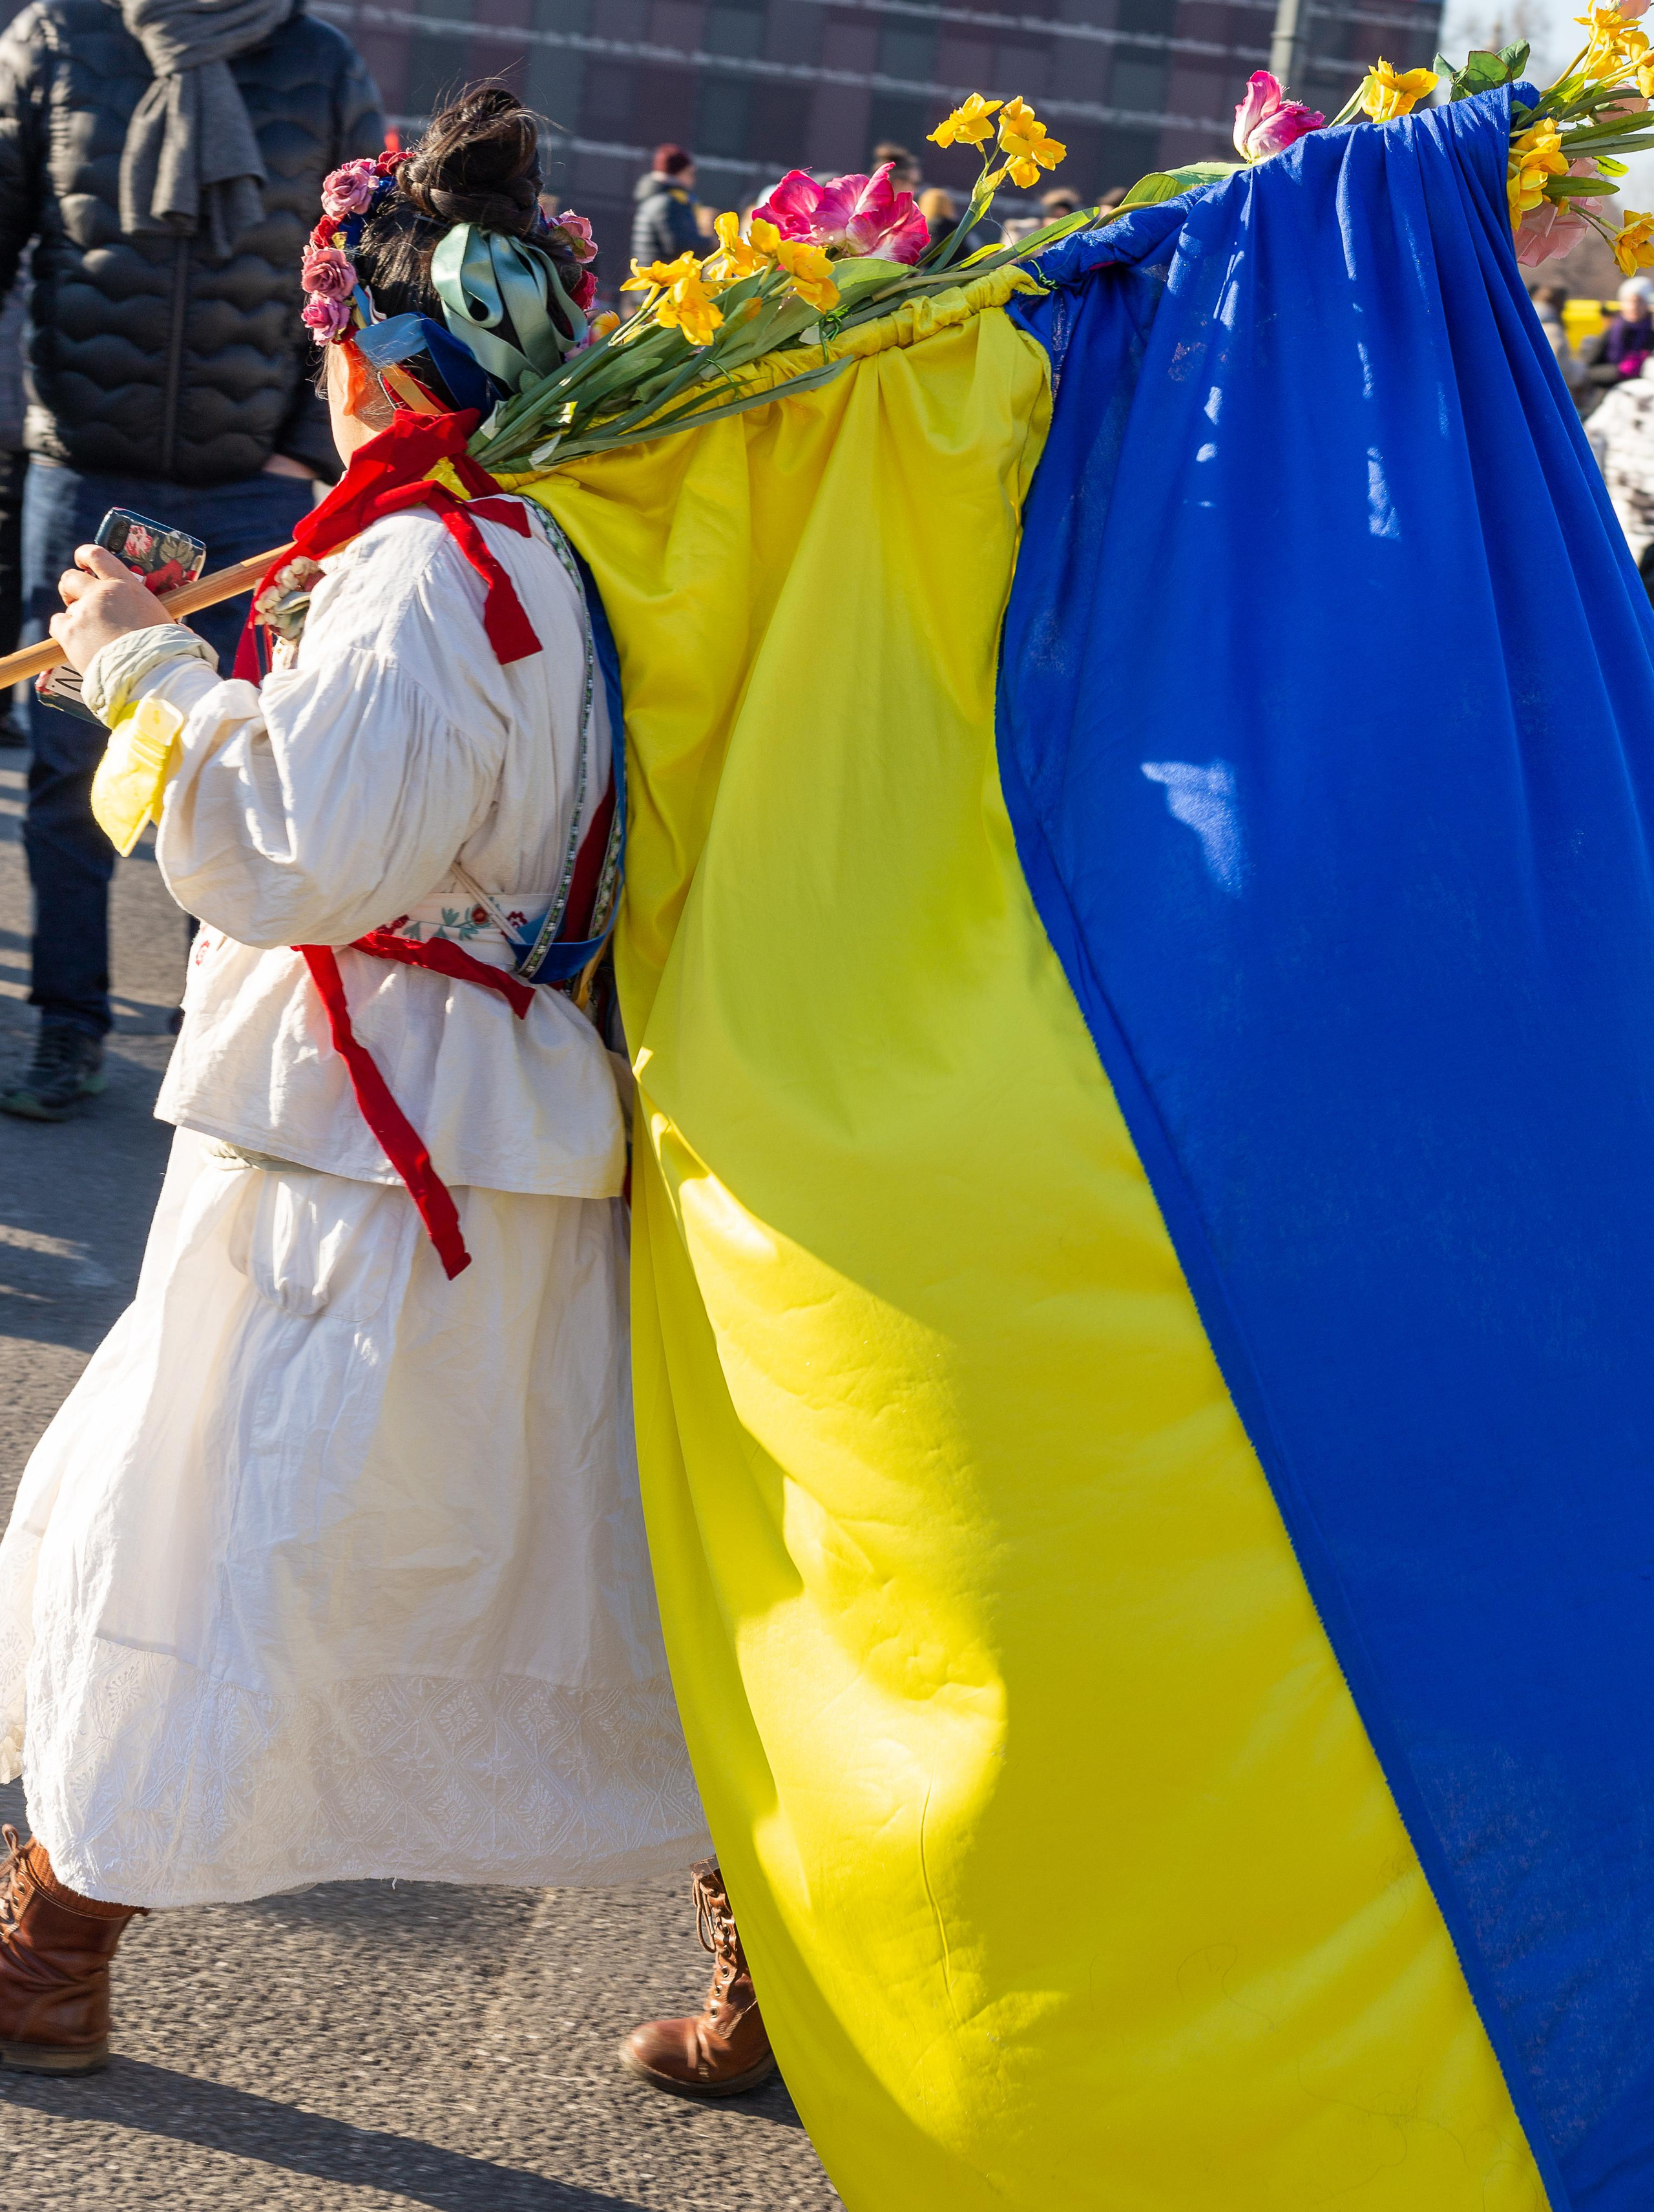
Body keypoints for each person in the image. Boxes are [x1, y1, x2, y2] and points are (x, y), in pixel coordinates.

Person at [0, 88, 706, 2072]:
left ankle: (52, 1945)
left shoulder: (419, 572)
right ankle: (770, 1938)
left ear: (371, 353)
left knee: (218, 1519)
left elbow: (299, 848)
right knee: (524, 1552)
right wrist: (188, 658)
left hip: (366, 1131)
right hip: (455, 1116)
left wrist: (146, 666)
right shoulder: (523, 556)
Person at [0, 0, 383, 1123]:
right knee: (69, 767)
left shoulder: (317, 61)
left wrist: (301, 450)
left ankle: (206, 1029)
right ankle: (69, 1025)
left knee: (227, 760)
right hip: (86, 474)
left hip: (249, 491)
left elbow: (362, 268)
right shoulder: (58, 42)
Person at [1578, 275, 1654, 421]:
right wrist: (1618, 371)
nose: (1634, 307)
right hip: (1604, 404)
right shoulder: (1611, 332)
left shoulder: (1651, 337)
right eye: (1630, 302)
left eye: (1639, 302)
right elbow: (1587, 370)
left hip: (1641, 410)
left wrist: (1643, 370)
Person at [631, 144, 700, 269]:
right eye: (691, 173)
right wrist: (713, 243)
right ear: (680, 172)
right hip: (663, 282)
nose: (693, 180)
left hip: (650, 279)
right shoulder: (669, 202)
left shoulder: (654, 197)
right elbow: (678, 245)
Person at [1530, 278, 1587, 399]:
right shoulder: (1552, 329)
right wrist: (1581, 369)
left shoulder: (1529, 323)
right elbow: (1556, 366)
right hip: (1547, 393)